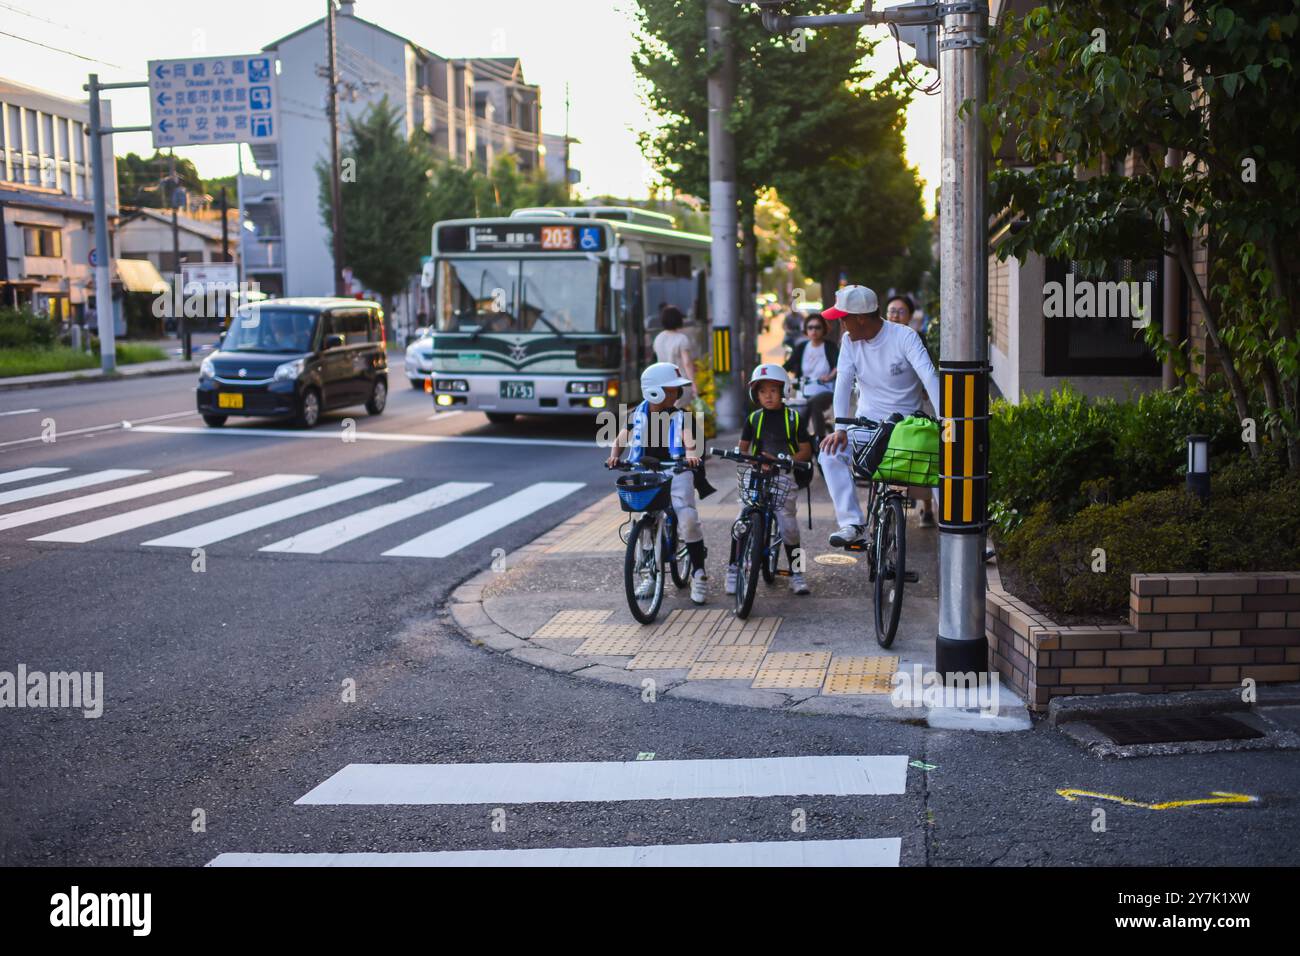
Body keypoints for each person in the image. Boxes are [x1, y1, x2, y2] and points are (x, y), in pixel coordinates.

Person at [818, 285, 941, 548]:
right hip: (867, 427)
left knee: (945, 459)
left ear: (860, 317)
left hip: (906, 430)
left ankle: (962, 532)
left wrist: (946, 420)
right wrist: (840, 427)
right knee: (828, 453)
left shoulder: (904, 336)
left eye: (843, 317)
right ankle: (851, 523)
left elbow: (929, 376)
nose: (841, 323)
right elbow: (843, 383)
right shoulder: (849, 343)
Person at [605, 362, 708, 604]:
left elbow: (688, 439)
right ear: (654, 391)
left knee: (688, 519)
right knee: (644, 524)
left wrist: (692, 454)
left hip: (677, 468)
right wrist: (614, 456)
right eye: (670, 390)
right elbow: (623, 436)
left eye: (676, 390)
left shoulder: (681, 416)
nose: (675, 395)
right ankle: (651, 573)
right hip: (646, 470)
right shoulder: (637, 414)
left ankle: (699, 574)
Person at [726, 364, 814, 596]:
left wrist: (785, 459)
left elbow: (805, 451)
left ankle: (797, 573)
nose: (768, 395)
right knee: (741, 522)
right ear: (755, 394)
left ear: (784, 391)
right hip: (755, 475)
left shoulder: (793, 418)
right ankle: (733, 568)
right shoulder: (753, 419)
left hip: (783, 475)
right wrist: (750, 459)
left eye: (774, 390)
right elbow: (743, 448)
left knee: (789, 527)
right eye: (762, 391)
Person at [884, 294, 937, 527]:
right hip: (883, 409)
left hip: (910, 410)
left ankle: (926, 507)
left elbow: (925, 370)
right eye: (891, 310)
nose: (895, 315)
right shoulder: (880, 338)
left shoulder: (915, 338)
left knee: (916, 462)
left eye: (900, 311)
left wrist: (926, 389)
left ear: (909, 315)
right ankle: (892, 508)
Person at [784, 313, 838, 442]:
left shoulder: (830, 346)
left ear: (823, 329)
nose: (813, 330)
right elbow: (788, 365)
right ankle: (803, 443)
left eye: (817, 327)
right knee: (797, 417)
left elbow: (839, 365)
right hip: (803, 391)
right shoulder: (801, 347)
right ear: (806, 330)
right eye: (810, 327)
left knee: (814, 403)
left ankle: (821, 439)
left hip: (825, 390)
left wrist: (829, 376)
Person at [652, 306, 695, 408]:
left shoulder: (658, 338)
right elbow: (687, 363)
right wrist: (693, 383)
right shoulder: (682, 339)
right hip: (679, 384)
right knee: (680, 415)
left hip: (662, 383)